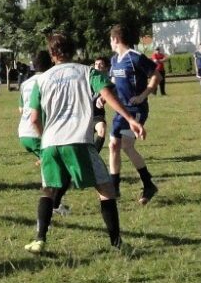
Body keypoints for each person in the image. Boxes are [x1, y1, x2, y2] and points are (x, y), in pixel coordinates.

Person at [23, 33, 145, 254]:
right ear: (73, 50)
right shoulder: (87, 72)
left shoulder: (41, 80)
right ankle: (117, 243)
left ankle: (39, 239)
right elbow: (107, 94)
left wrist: (44, 140)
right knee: (106, 189)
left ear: (52, 54)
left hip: (50, 143)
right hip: (78, 141)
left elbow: (33, 118)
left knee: (48, 190)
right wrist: (129, 119)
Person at [108, 24, 159, 205]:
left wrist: (143, 95)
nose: (110, 43)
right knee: (114, 145)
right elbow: (113, 83)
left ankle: (147, 184)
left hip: (136, 109)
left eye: (110, 39)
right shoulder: (114, 60)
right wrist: (102, 98)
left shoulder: (135, 57)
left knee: (125, 145)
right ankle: (115, 187)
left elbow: (156, 75)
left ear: (115, 39)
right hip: (121, 110)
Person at [18, 50, 71, 216]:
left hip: (24, 132)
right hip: (38, 131)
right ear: (51, 63)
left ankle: (53, 204)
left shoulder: (25, 83)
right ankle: (52, 206)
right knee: (60, 170)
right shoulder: (48, 80)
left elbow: (21, 109)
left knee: (53, 166)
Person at [91, 57, 110, 152]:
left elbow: (112, 91)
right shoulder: (88, 78)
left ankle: (94, 156)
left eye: (100, 64)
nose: (97, 66)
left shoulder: (108, 81)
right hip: (84, 114)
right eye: (96, 64)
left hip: (97, 114)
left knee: (102, 129)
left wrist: (103, 98)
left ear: (106, 68)